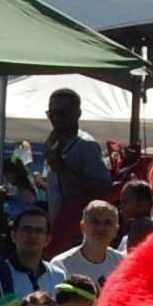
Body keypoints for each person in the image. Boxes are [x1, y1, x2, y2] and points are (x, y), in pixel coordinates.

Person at [40, 87, 111, 249]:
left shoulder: (86, 145)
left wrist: (62, 171)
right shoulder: (55, 143)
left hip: (78, 233)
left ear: (77, 114)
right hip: (58, 228)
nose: (56, 118)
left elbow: (104, 187)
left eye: (62, 113)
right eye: (51, 114)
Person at [57, 200, 124, 292]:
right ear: (82, 226)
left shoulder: (122, 263)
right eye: (94, 221)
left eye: (107, 222)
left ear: (116, 231)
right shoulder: (62, 266)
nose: (100, 228)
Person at [7, 205, 66, 297]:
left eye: (39, 231)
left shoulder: (57, 276)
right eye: (26, 229)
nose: (32, 236)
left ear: (48, 240)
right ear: (14, 235)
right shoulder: (2, 272)